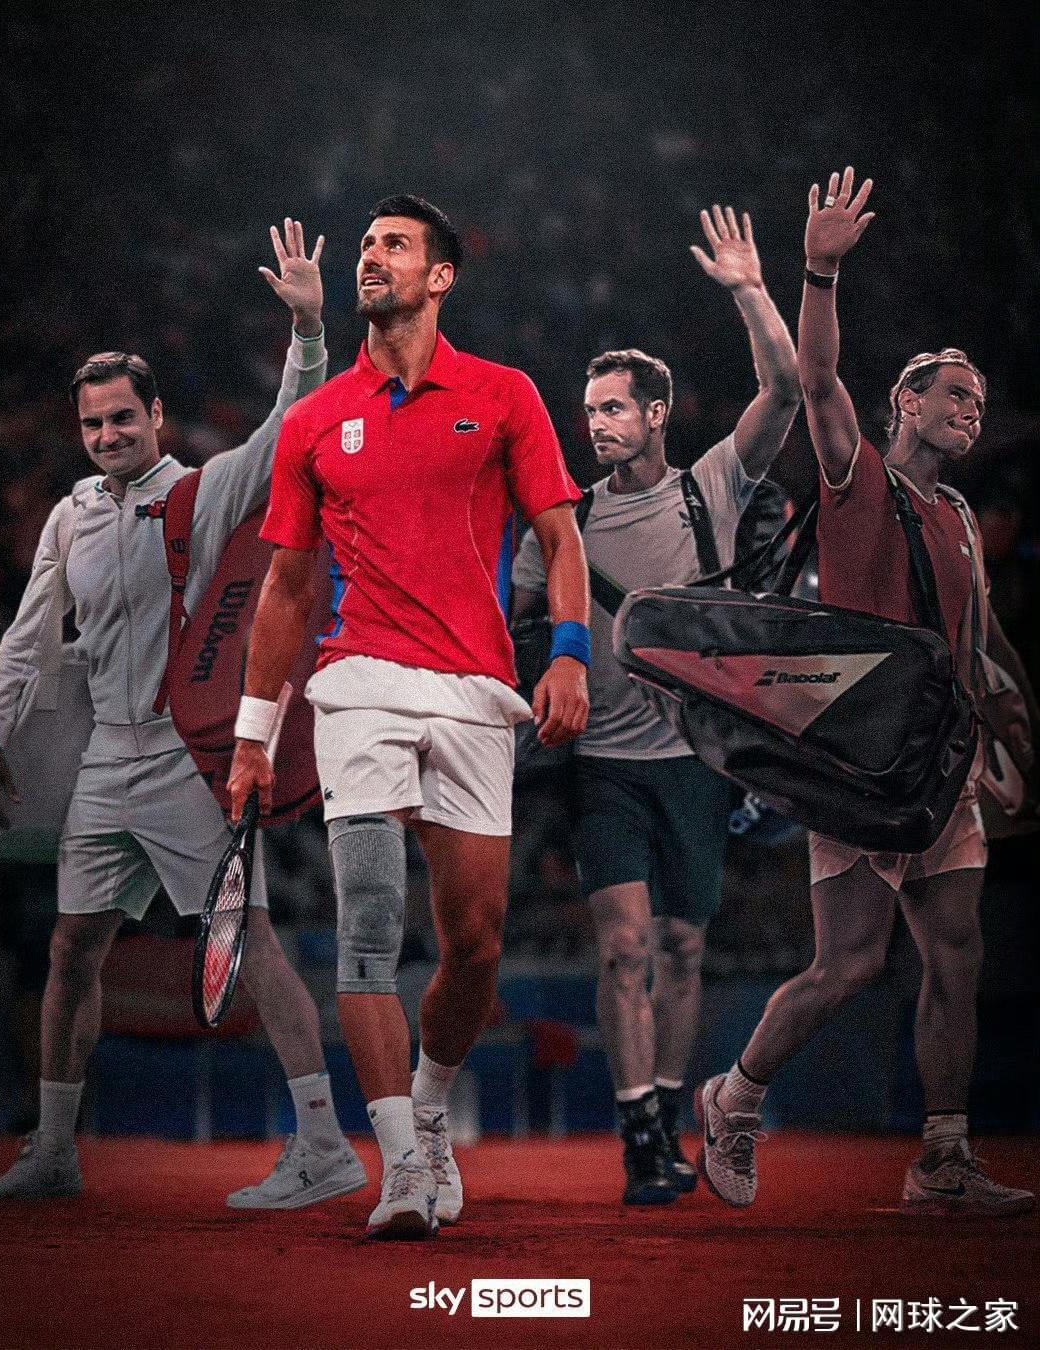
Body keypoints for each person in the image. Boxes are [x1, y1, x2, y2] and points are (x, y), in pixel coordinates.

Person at [0, 221, 367, 1210]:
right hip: (106, 760)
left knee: (252, 940)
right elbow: (25, 640)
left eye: (122, 418)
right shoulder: (69, 517)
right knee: (71, 948)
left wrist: (309, 332)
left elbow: (284, 429)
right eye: (92, 424)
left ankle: (325, 1145)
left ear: (156, 415)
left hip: (187, 759)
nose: (108, 436)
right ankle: (55, 1151)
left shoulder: (202, 491)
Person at [228, 194, 590, 1239]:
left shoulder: (504, 394)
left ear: (441, 277)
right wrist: (254, 736)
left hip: (476, 691)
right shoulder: (314, 420)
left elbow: (560, 539)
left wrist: (570, 656)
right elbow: (287, 588)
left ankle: (429, 1111)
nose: (372, 257)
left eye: (395, 245)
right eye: (367, 245)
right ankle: (398, 1167)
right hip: (358, 688)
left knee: (476, 944)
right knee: (370, 933)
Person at [698, 168, 1038, 1217]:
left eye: (980, 403)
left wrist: (1002, 745)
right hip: (858, 760)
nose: (971, 412)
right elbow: (815, 382)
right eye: (955, 395)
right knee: (846, 964)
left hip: (941, 766)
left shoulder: (961, 520)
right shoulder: (859, 479)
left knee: (956, 954)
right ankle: (734, 1099)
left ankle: (942, 1159)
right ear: (907, 402)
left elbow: (976, 650)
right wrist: (819, 272)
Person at [511, 206, 801, 1205]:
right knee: (625, 946)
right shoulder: (563, 520)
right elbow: (517, 629)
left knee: (682, 947)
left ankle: (672, 1118)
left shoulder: (708, 489)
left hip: (698, 765)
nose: (594, 423)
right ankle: (638, 1133)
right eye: (588, 410)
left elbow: (786, 389)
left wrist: (750, 291)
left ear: (657, 413)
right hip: (603, 769)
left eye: (612, 408)